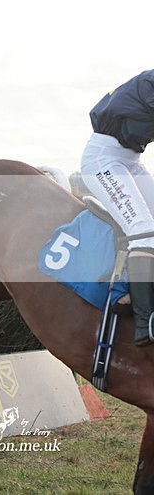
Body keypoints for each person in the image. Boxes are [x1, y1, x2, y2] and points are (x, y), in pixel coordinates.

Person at [80, 69, 154, 346]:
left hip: (131, 161)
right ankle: (144, 322)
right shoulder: (152, 81)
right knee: (143, 228)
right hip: (103, 160)